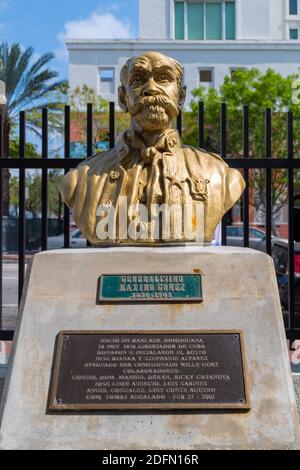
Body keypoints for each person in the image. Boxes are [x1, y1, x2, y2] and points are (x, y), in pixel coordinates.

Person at [59, 51, 245, 245]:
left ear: (181, 96)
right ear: (123, 99)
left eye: (164, 78)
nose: (151, 89)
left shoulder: (221, 176)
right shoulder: (80, 180)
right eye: (138, 80)